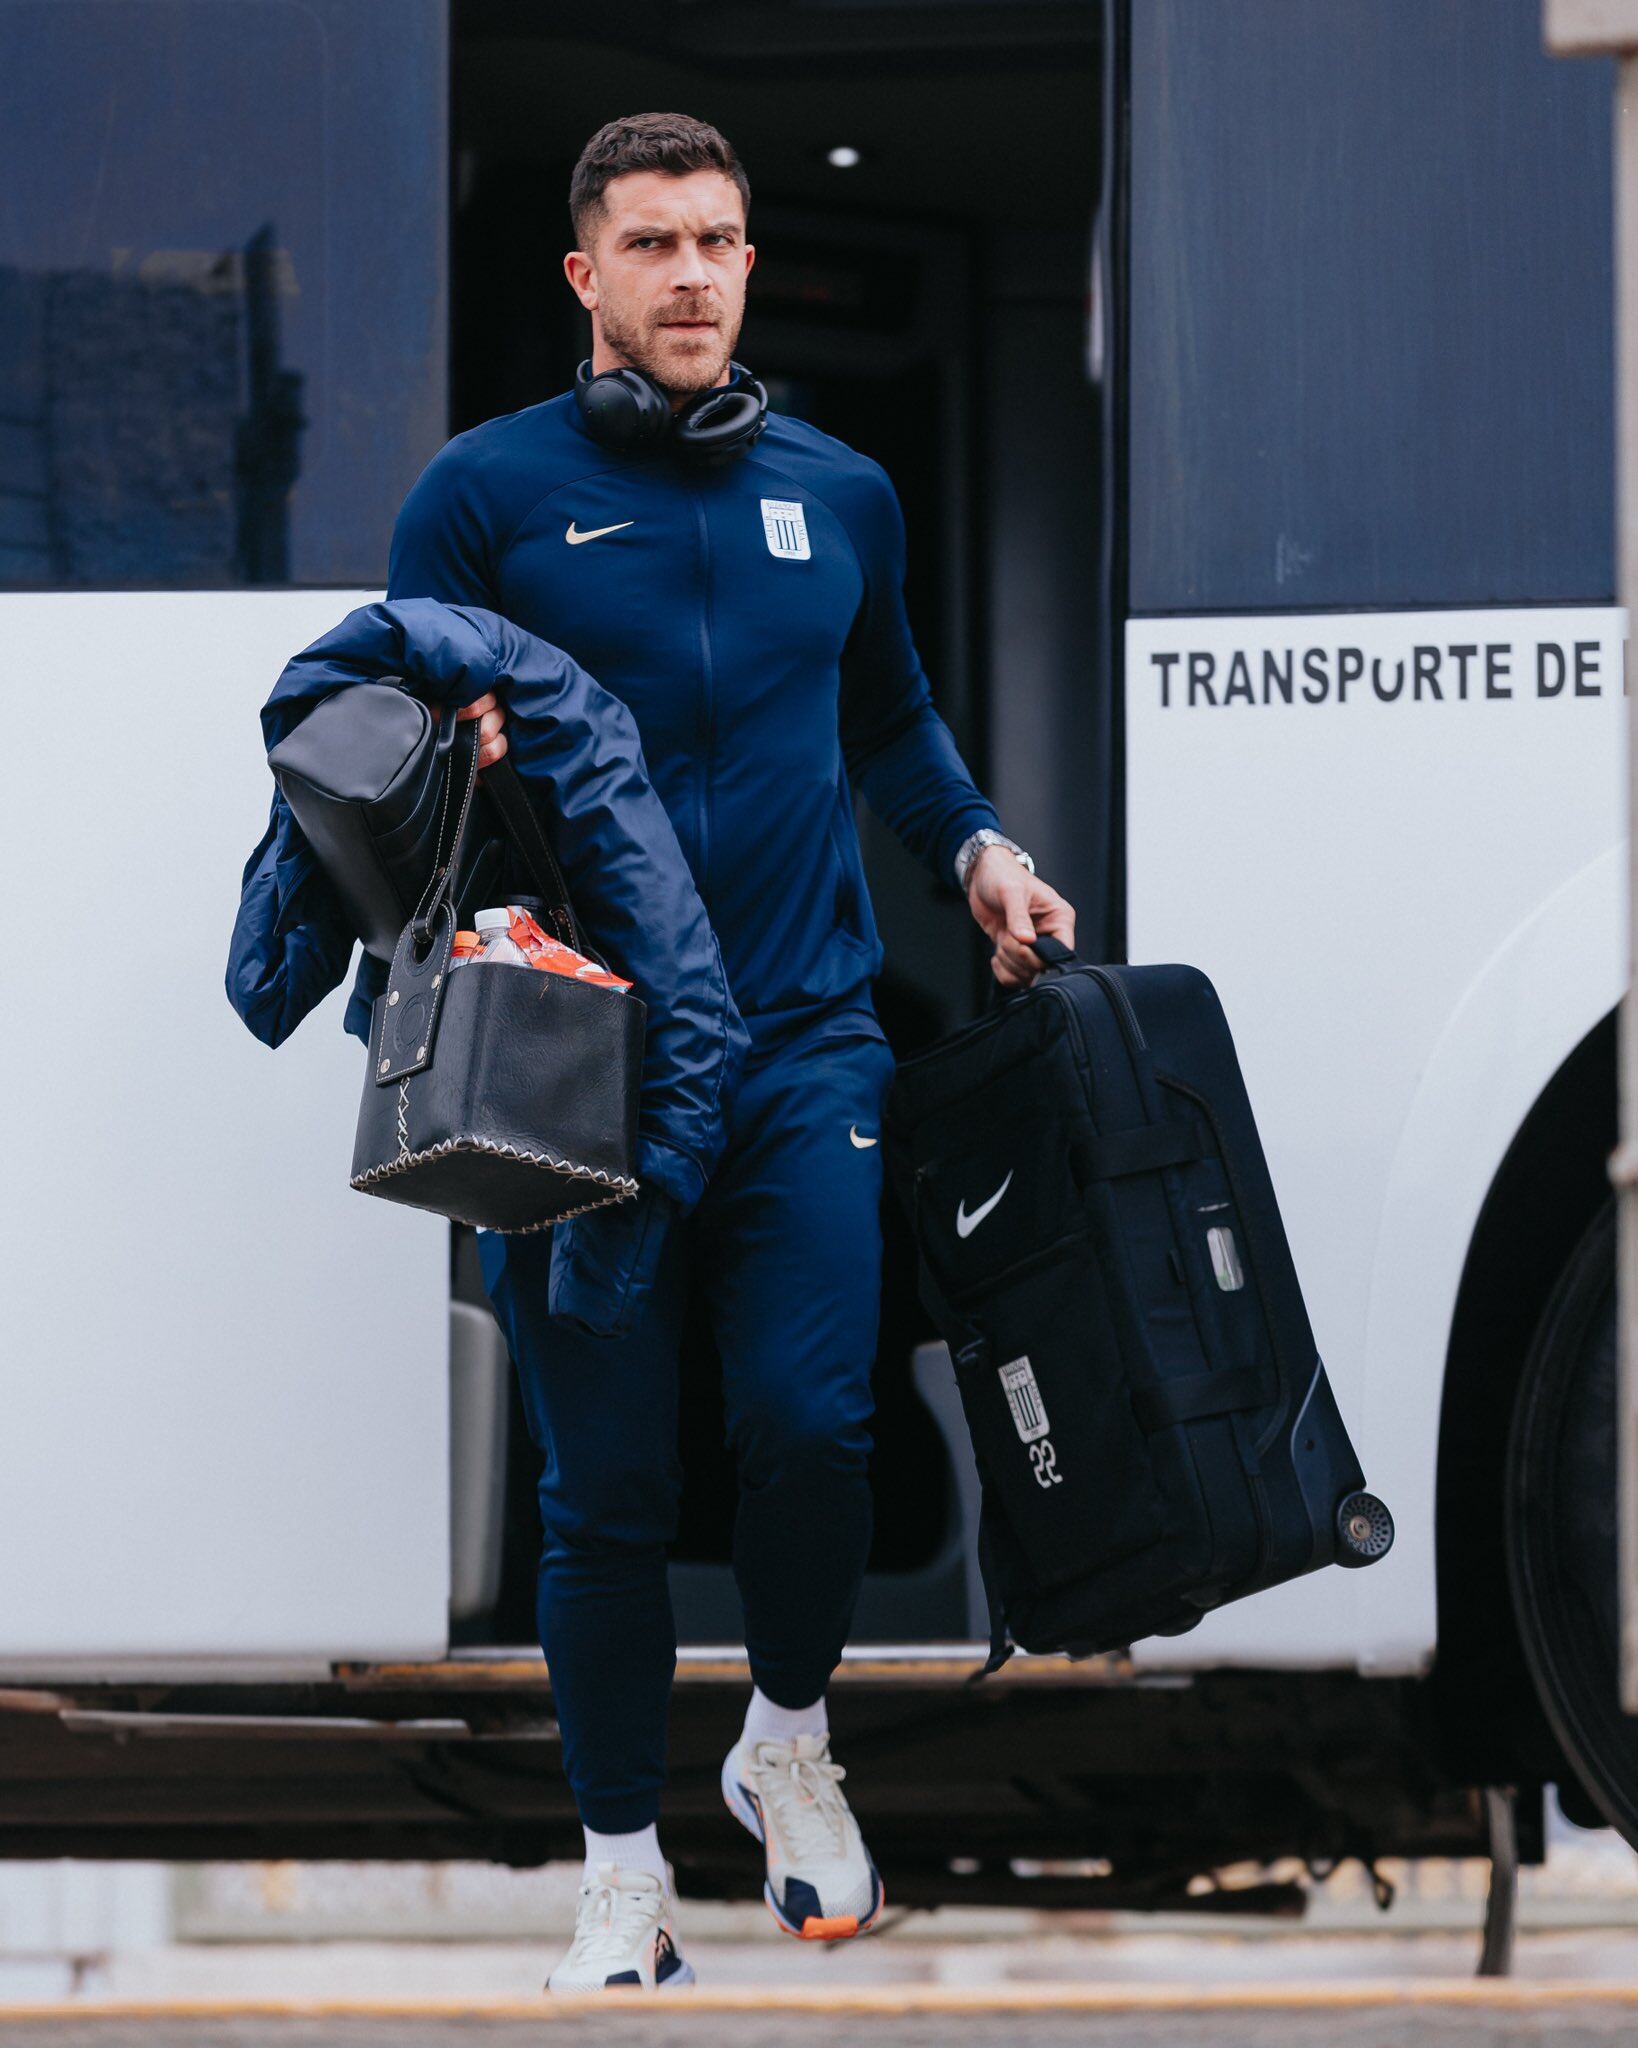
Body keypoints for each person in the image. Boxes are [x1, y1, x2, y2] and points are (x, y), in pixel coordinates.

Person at [382, 110, 1078, 1993]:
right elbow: (377, 766)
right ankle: (619, 1875)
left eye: (720, 241)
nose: (692, 273)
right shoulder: (481, 498)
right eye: (654, 244)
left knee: (807, 1422)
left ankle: (785, 1734)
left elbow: (897, 728)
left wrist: (982, 854)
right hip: (566, 1060)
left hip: (799, 1043)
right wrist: (465, 760)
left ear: (750, 264)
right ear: (583, 277)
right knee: (600, 1489)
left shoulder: (839, 495)